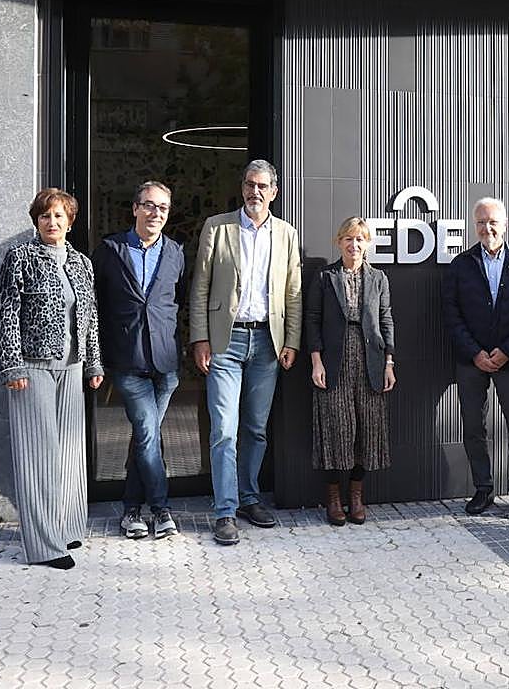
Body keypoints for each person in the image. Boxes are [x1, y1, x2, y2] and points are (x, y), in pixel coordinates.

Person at [189, 160, 302, 546]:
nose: (255, 192)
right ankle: (224, 510)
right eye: (250, 185)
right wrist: (199, 338)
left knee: (255, 428)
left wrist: (292, 340)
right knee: (224, 429)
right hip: (225, 340)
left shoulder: (286, 234)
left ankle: (248, 498)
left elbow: (293, 293)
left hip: (267, 344)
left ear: (274, 192)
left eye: (263, 186)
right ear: (242, 188)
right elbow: (200, 286)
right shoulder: (218, 227)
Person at [0, 188, 103, 570]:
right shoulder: (20, 258)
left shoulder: (81, 263)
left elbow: (89, 317)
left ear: (69, 222)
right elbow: (6, 314)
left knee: (71, 455)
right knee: (38, 458)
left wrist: (93, 365)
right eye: (45, 216)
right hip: (32, 368)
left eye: (59, 216)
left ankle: (68, 527)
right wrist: (13, 366)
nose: (52, 222)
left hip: (72, 367)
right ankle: (43, 546)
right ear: (36, 221)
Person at [92, 181, 186, 541]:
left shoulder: (176, 252)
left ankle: (131, 510)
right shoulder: (110, 250)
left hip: (165, 363)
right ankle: (161, 511)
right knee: (147, 434)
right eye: (148, 205)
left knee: (144, 438)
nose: (155, 213)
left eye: (162, 208)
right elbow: (94, 305)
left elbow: (175, 300)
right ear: (134, 208)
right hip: (127, 361)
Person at [441, 197, 509, 519]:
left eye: (493, 221)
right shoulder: (460, 265)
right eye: (481, 222)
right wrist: (476, 353)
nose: (487, 228)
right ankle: (483, 489)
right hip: (472, 362)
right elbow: (451, 314)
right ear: (474, 226)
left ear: (505, 224)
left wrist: (507, 351)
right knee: (473, 426)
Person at [305, 217, 396, 526]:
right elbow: (313, 320)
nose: (354, 245)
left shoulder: (379, 278)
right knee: (336, 429)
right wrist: (316, 361)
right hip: (334, 360)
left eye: (360, 239)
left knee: (367, 430)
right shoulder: (324, 277)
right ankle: (333, 498)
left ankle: (356, 495)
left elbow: (386, 320)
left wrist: (389, 363)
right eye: (348, 239)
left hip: (370, 360)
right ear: (338, 242)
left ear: (367, 244)